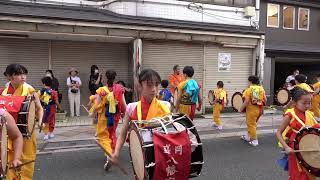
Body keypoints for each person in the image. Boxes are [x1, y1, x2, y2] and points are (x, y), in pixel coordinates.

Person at [111, 69, 171, 166]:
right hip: (139, 155)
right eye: (149, 85)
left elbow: (170, 132)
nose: (154, 89)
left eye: (156, 85)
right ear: (140, 86)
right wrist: (116, 152)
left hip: (162, 154)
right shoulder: (131, 107)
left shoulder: (165, 106)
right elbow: (123, 134)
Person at [2, 63, 44, 180]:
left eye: (24, 74)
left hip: (26, 134)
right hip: (11, 133)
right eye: (19, 74)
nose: (23, 77)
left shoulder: (30, 90)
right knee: (10, 161)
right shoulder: (4, 92)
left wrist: (40, 121)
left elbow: (39, 108)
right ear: (10, 76)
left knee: (25, 161)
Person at [276, 89, 319, 180]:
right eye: (304, 103)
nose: (307, 106)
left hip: (309, 147)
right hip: (295, 147)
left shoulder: (309, 114)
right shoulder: (289, 115)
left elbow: (314, 127)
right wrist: (286, 147)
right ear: (295, 103)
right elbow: (278, 132)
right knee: (298, 174)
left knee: (310, 172)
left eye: (309, 103)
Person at [94, 70, 126, 171]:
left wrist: (93, 115)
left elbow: (97, 106)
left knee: (103, 137)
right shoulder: (120, 89)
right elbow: (124, 104)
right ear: (115, 78)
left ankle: (109, 156)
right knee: (112, 134)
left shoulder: (101, 90)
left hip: (104, 117)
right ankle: (113, 152)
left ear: (106, 78)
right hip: (115, 116)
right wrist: (125, 114)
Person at [240, 75, 266, 147]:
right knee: (252, 123)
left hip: (252, 110)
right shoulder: (261, 89)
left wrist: (241, 108)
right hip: (260, 109)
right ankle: (248, 136)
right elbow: (265, 100)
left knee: (251, 125)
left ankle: (254, 140)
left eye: (248, 81)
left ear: (250, 81)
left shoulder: (248, 90)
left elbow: (246, 101)